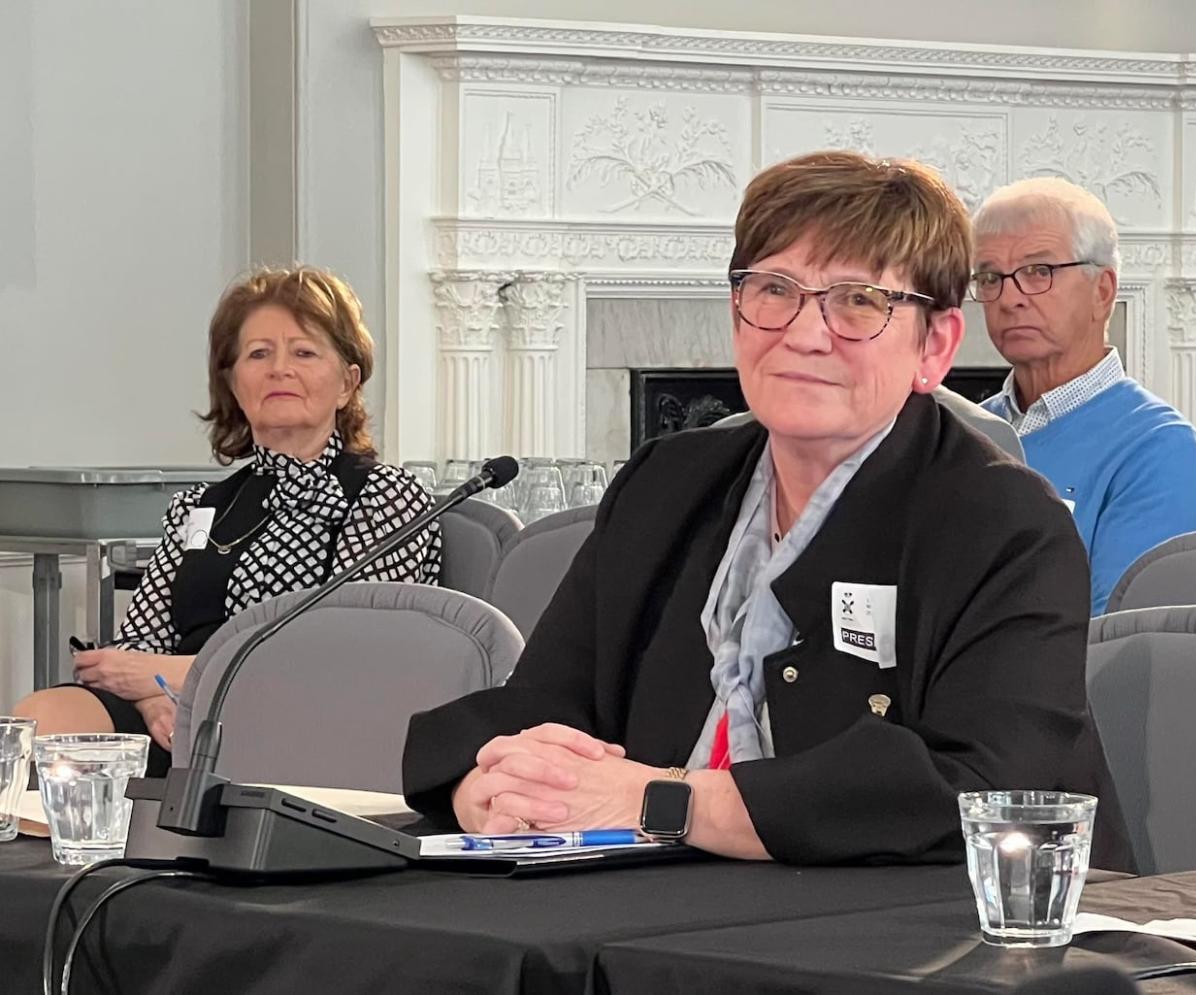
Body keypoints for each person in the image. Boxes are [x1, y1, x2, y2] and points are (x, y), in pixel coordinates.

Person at [402, 152, 1134, 871]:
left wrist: (668, 801)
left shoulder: (1006, 523)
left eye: (859, 301)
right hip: (654, 913)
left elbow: (979, 790)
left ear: (934, 346)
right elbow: (540, 704)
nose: (804, 332)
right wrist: (488, 786)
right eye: (775, 289)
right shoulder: (666, 484)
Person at [16, 266, 441, 775]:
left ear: (347, 383)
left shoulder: (384, 495)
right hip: (176, 713)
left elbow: (342, 658)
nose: (279, 369)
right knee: (42, 721)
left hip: (298, 713)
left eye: (304, 352)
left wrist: (167, 675)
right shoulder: (200, 506)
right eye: (258, 354)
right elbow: (137, 644)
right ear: (235, 383)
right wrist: (155, 699)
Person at [972, 177, 1196, 614]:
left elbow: (1117, 650)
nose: (1009, 297)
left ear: (1103, 291)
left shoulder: (1161, 450)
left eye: (1038, 271)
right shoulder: (963, 430)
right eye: (991, 277)